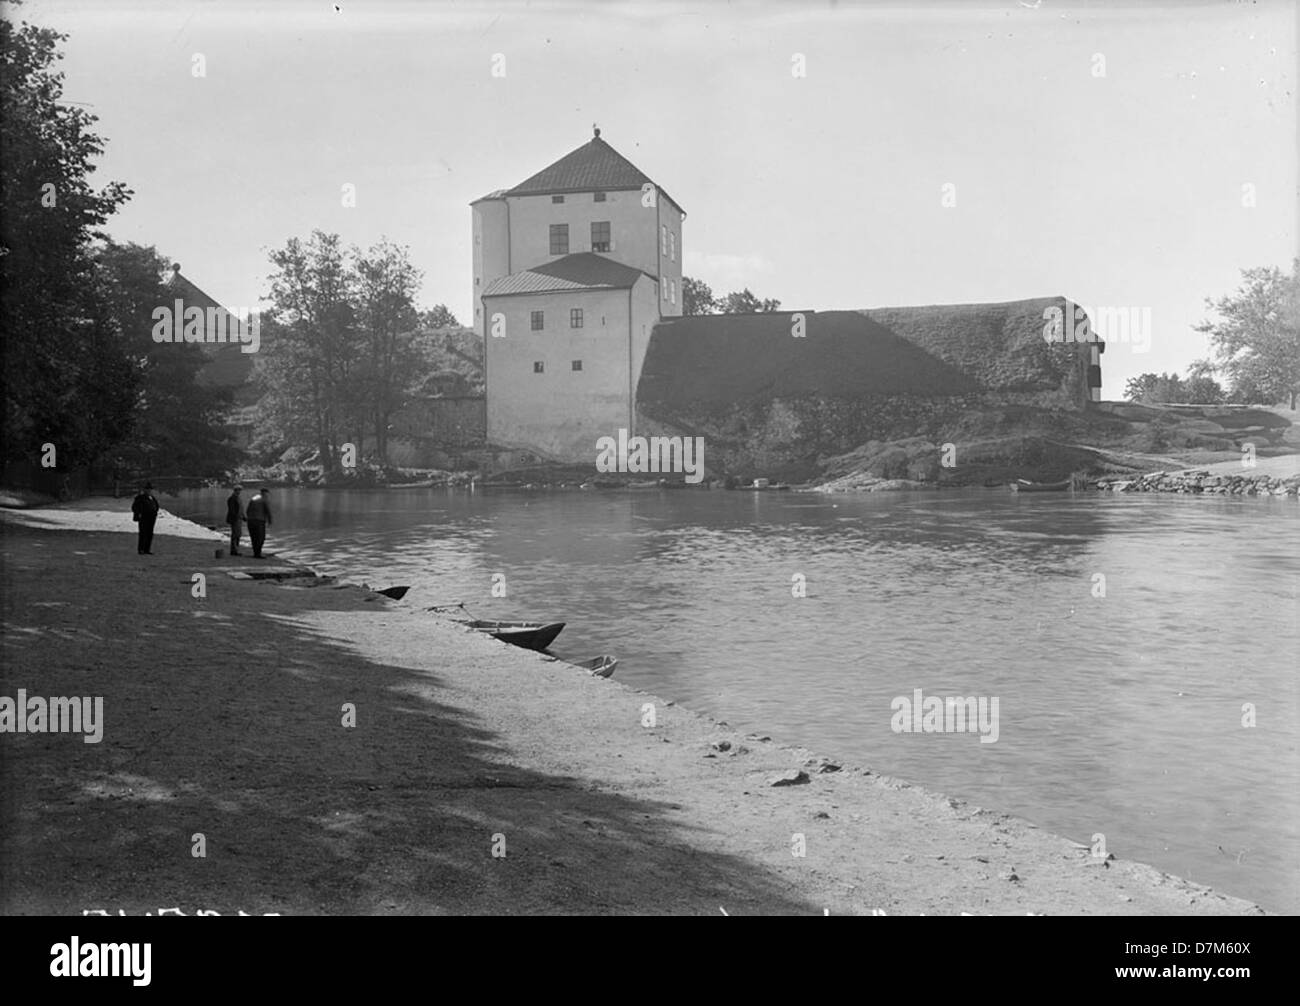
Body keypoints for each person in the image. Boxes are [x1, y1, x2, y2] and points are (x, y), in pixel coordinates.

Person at [131, 482, 160, 555]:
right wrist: (139, 514)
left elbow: (156, 506)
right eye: (148, 490)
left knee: (149, 533)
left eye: (150, 490)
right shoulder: (140, 498)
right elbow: (135, 507)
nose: (149, 491)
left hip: (152, 518)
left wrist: (155, 512)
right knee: (143, 533)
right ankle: (141, 549)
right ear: (144, 490)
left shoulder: (152, 498)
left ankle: (147, 549)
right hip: (144, 517)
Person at [245, 487, 272, 559]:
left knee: (254, 538)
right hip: (259, 521)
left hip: (250, 521)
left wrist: (249, 518)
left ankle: (256, 553)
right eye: (267, 494)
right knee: (261, 538)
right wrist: (270, 521)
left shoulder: (253, 498)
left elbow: (247, 510)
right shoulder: (264, 499)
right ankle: (258, 554)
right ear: (265, 493)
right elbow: (268, 511)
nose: (267, 495)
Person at [225, 485, 245, 556]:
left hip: (239, 519)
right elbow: (232, 510)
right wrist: (236, 517)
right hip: (235, 520)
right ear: (234, 490)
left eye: (239, 490)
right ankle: (234, 551)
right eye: (237, 490)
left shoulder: (239, 498)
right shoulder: (232, 499)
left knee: (238, 534)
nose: (239, 491)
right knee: (235, 535)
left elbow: (241, 509)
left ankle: (236, 549)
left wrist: (243, 517)